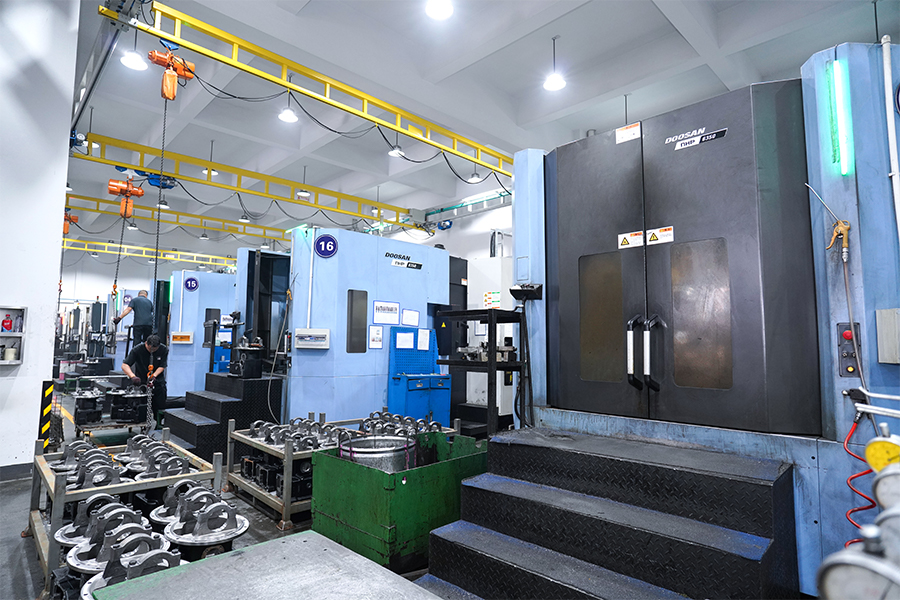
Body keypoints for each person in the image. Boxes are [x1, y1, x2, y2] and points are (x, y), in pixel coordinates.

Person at [121, 334, 168, 428]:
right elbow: (125, 365)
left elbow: (162, 366)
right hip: (141, 382)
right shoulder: (137, 350)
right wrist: (133, 377)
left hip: (157, 381)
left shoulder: (163, 349)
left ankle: (159, 424)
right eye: (150, 349)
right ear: (146, 343)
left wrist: (154, 376)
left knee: (160, 405)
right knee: (142, 407)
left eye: (154, 350)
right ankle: (142, 425)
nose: (152, 352)